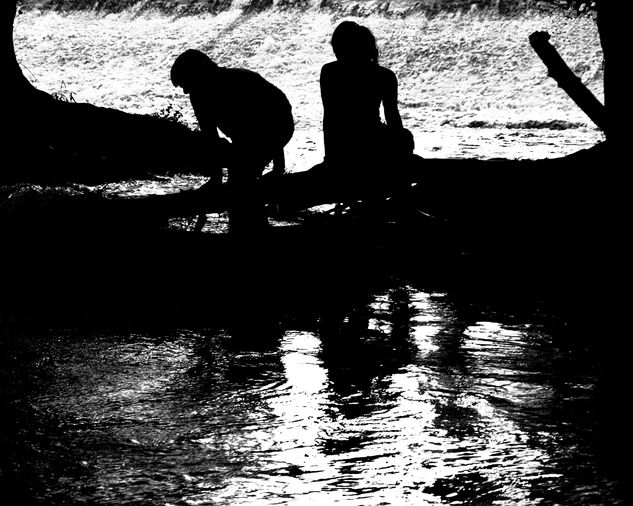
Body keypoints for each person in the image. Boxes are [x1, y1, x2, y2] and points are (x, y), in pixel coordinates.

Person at [171, 49, 294, 233]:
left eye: (185, 84)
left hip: (278, 123)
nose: (186, 91)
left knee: (243, 181)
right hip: (247, 135)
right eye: (182, 87)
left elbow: (269, 120)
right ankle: (248, 224)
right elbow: (210, 138)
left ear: (198, 74)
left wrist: (278, 168)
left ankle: (250, 228)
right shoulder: (198, 96)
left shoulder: (237, 83)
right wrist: (216, 178)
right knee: (241, 178)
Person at [319, 21, 414, 178]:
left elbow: (330, 119)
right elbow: (393, 119)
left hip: (345, 144)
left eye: (337, 48)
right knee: (405, 136)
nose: (335, 53)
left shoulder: (329, 72)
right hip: (373, 140)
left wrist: (330, 157)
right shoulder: (385, 76)